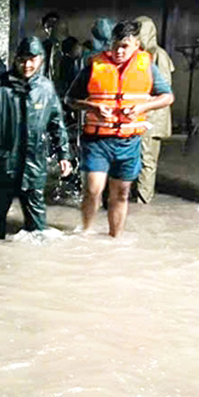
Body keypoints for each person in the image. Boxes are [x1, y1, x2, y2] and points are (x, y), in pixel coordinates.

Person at [65, 20, 175, 237]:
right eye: (115, 45)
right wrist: (92, 106)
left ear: (136, 45)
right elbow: (70, 98)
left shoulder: (147, 66)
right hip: (97, 141)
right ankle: (85, 234)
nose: (119, 51)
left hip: (129, 142)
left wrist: (143, 107)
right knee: (93, 190)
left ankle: (114, 240)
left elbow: (168, 97)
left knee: (121, 193)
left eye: (125, 46)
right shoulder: (94, 65)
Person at [0, 37, 72, 239]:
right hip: (3, 163)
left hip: (34, 164)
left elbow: (57, 123)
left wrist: (64, 155)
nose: (27, 65)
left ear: (40, 60)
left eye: (32, 60)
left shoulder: (46, 89)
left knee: (38, 231)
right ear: (15, 59)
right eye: (22, 60)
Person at [133, 15, 175, 203]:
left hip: (152, 118)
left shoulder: (158, 55)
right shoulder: (142, 55)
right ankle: (138, 198)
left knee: (147, 161)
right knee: (140, 159)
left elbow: (164, 89)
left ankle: (143, 202)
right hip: (143, 116)